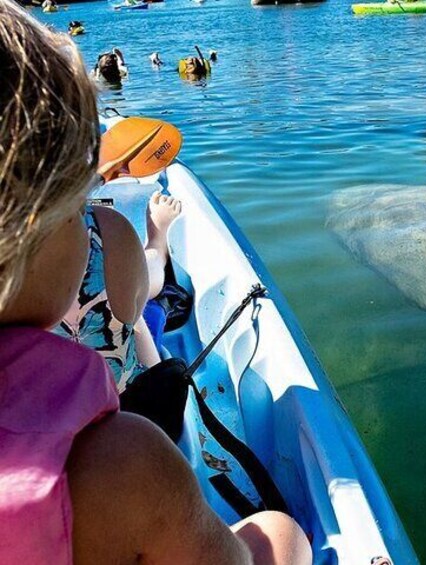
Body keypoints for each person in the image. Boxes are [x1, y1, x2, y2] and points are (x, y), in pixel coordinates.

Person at [0, 3, 311, 563]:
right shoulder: (120, 467)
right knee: (282, 535)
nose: (88, 216)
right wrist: (156, 234)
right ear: (33, 227)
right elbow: (133, 302)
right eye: (77, 209)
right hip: (129, 401)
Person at [53, 192, 181, 392]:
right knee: (129, 308)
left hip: (33, 414)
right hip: (119, 400)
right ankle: (157, 241)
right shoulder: (108, 227)